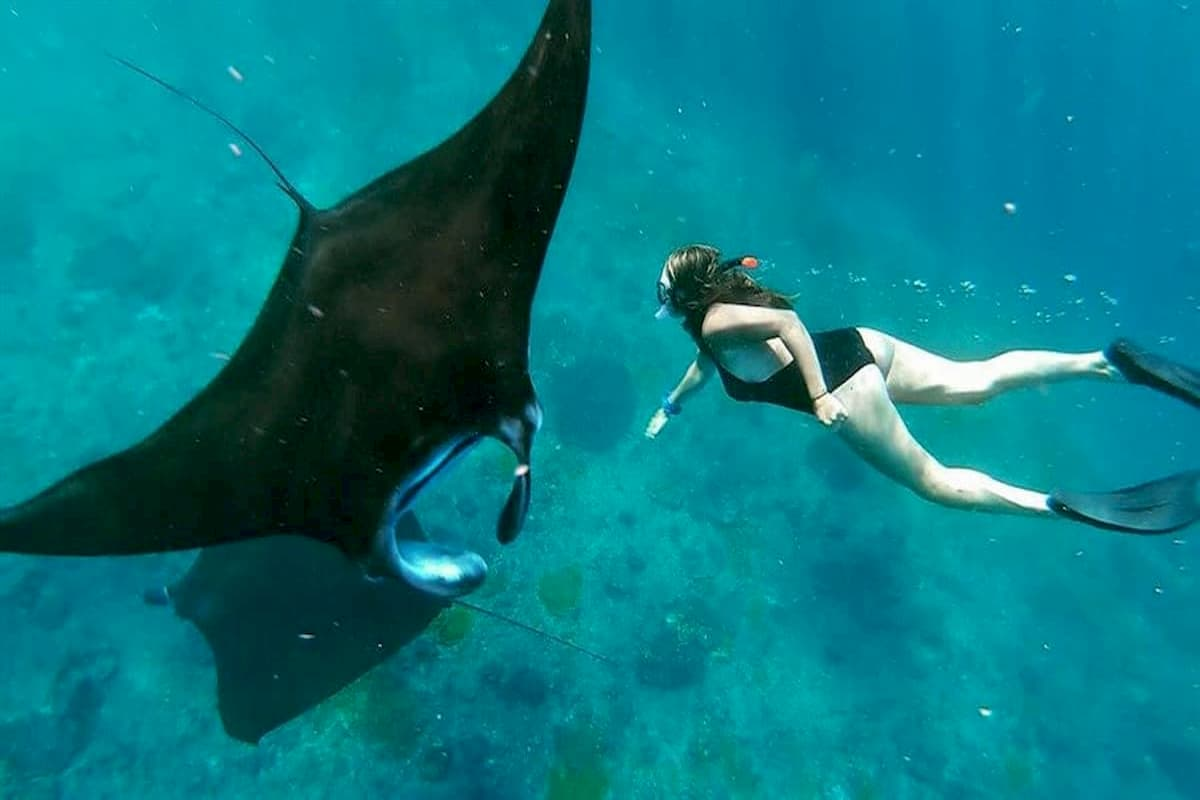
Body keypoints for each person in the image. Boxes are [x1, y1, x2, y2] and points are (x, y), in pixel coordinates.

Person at [644, 243, 1200, 533]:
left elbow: (787, 327)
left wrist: (818, 397)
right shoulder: (711, 329)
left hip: (843, 386)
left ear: (689, 292)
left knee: (932, 482)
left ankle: (1056, 507)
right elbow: (706, 365)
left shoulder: (716, 321)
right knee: (977, 378)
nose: (660, 293)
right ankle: (1105, 363)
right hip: (858, 345)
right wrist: (671, 406)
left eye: (665, 286)